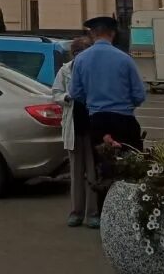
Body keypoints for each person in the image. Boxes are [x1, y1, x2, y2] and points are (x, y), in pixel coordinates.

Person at [70, 15, 146, 154]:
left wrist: (91, 102)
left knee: (103, 166)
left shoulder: (80, 60)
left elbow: (75, 92)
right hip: (124, 120)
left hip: (96, 122)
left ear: (92, 34)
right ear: (113, 33)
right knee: (132, 165)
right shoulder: (125, 59)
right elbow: (139, 95)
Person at [52, 36, 96, 228]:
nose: (80, 58)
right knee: (76, 172)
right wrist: (68, 97)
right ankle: (76, 212)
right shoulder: (65, 70)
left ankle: (93, 213)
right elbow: (56, 93)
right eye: (78, 54)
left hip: (93, 126)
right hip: (74, 126)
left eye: (84, 54)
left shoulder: (95, 70)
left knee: (93, 173)